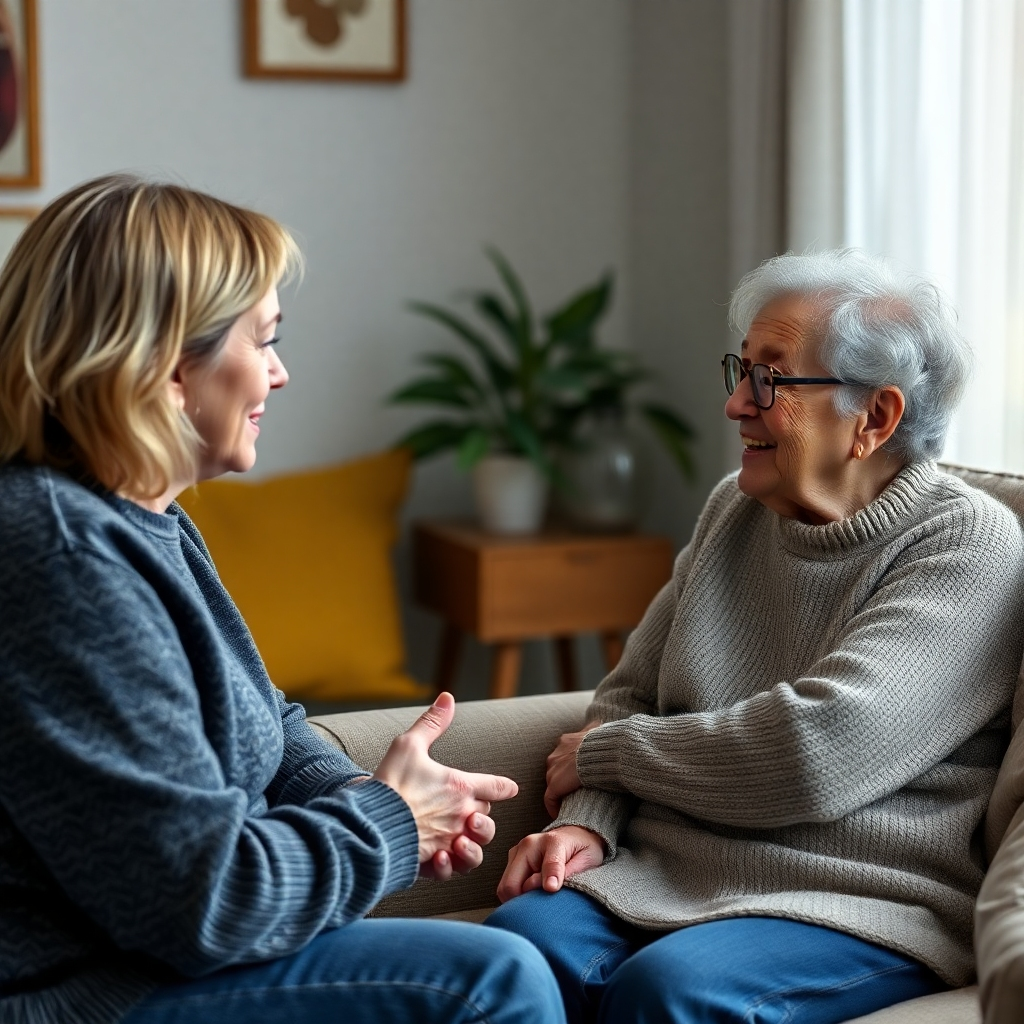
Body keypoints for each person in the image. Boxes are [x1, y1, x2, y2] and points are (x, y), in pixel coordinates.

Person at [0, 175, 565, 1024]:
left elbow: (264, 722)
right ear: (165, 361)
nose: (281, 371)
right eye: (262, 340)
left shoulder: (143, 518)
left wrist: (366, 794)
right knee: (494, 982)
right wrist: (390, 820)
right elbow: (205, 904)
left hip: (142, 959)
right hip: (80, 992)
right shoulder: (63, 557)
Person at [487, 248, 1024, 1024]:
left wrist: (610, 756)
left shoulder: (968, 545)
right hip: (668, 869)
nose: (738, 404)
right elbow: (631, 693)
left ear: (875, 417)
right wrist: (587, 821)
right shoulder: (732, 511)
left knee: (669, 994)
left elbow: (816, 751)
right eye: (740, 370)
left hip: (856, 903)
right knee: (512, 954)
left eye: (770, 379)